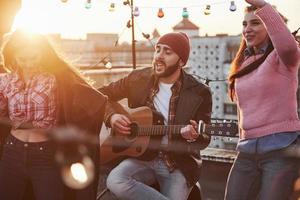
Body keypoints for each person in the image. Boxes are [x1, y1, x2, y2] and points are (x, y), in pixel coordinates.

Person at [99, 32, 212, 200]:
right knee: (116, 180)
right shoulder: (137, 78)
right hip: (142, 157)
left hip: (177, 163)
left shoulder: (199, 92)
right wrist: (112, 117)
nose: (159, 56)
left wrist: (193, 136)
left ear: (181, 61)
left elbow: (204, 137)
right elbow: (100, 94)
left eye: (167, 52)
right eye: (158, 50)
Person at [0, 29, 107, 200]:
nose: (29, 63)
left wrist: (112, 117)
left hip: (45, 155)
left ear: (42, 54)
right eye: (22, 59)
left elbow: (92, 99)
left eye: (33, 57)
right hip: (12, 151)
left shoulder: (56, 78)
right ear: (14, 57)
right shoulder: (5, 82)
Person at [225, 0, 300, 199]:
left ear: (270, 26)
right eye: (244, 24)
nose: (247, 29)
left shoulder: (283, 58)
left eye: (255, 23)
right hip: (247, 151)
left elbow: (287, 45)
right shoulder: (243, 63)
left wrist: (261, 4)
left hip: (280, 150)